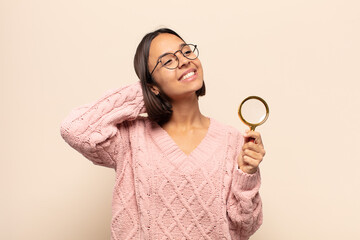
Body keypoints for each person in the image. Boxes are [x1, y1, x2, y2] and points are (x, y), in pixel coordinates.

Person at [60, 28, 266, 240]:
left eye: (186, 52)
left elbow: (245, 227)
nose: (185, 61)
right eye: (168, 61)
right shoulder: (131, 138)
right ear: (151, 85)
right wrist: (147, 92)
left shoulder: (232, 140)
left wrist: (247, 175)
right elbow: (75, 129)